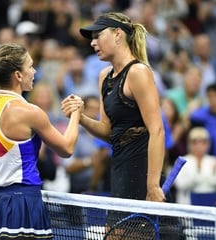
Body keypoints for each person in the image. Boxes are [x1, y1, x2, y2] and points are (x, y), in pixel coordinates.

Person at [0, 43, 82, 239]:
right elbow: (67, 148)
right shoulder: (30, 112)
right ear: (18, 75)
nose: (34, 71)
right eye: (30, 66)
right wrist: (76, 112)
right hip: (25, 204)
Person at [62, 12, 166, 202]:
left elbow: (157, 130)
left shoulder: (138, 72)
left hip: (143, 170)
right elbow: (109, 133)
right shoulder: (104, 76)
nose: (93, 43)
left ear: (117, 34)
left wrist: (152, 185)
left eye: (97, 36)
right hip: (119, 169)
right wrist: (81, 117)